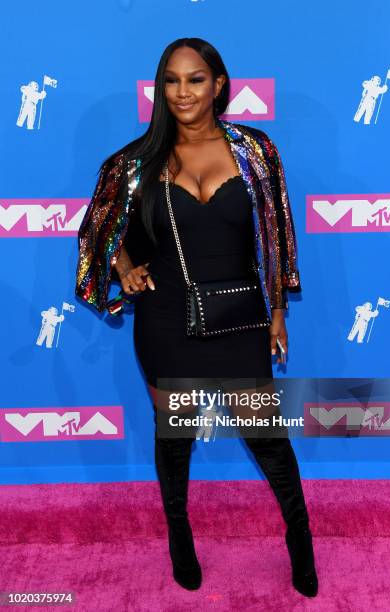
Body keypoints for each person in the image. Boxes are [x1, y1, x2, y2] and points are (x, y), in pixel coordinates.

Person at [75, 37, 318, 597]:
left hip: (241, 318)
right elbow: (97, 232)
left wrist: (277, 311)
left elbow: (278, 234)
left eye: (195, 79)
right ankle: (179, 539)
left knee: (269, 443)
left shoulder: (256, 152)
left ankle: (300, 541)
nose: (183, 92)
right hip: (165, 322)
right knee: (175, 437)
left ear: (218, 85)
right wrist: (128, 267)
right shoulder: (134, 162)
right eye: (171, 81)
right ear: (160, 89)